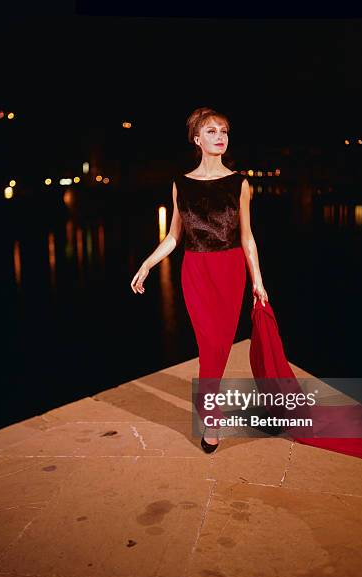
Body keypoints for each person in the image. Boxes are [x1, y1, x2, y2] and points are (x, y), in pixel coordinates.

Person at [130, 106, 269, 452]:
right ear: (196, 138)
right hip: (195, 271)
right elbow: (174, 236)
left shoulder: (240, 183)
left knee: (219, 345)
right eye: (211, 131)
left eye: (224, 131)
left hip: (230, 269)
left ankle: (208, 407)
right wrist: (147, 264)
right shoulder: (181, 184)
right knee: (208, 346)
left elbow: (247, 237)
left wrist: (258, 282)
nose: (220, 136)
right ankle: (211, 417)